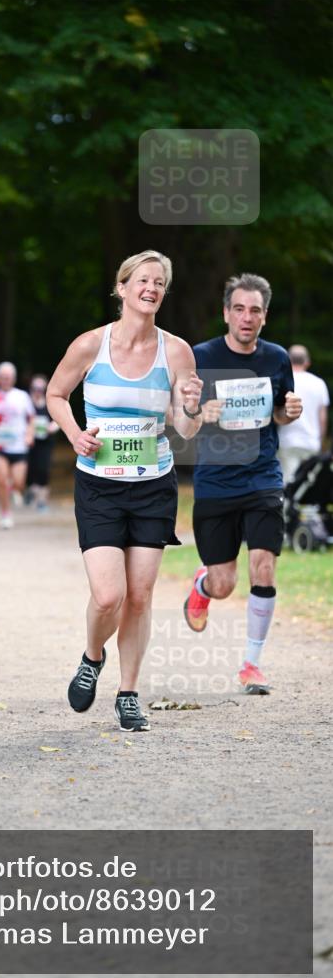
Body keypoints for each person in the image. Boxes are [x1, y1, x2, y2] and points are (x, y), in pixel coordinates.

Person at [47, 250, 203, 732]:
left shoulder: (176, 351)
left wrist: (193, 407)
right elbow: (56, 394)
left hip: (153, 484)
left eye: (159, 282)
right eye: (142, 280)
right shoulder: (89, 346)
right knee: (109, 594)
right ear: (122, 288)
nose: (151, 288)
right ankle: (92, 657)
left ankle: (130, 693)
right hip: (99, 484)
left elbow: (186, 429)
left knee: (140, 595)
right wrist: (76, 435)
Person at [183, 273, 303, 695]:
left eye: (254, 310)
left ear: (264, 317)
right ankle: (202, 586)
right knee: (224, 584)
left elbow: (279, 415)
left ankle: (252, 664)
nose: (246, 317)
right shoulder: (200, 356)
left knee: (264, 564)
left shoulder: (276, 359)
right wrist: (201, 412)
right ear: (226, 313)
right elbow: (181, 418)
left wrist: (290, 410)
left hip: (262, 475)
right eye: (239, 308)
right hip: (216, 481)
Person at [0, 362, 35, 529]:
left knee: (19, 482)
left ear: (14, 379)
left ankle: (14, 489)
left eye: (8, 377)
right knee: (1, 480)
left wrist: (30, 434)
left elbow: (32, 418)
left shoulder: (22, 396)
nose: (5, 380)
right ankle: (5, 514)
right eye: (2, 377)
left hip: (19, 446)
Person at [277, 345, 329, 485]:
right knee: (308, 485)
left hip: (287, 441)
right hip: (310, 442)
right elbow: (322, 418)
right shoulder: (319, 383)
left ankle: (287, 506)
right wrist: (320, 440)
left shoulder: (282, 381)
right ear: (307, 362)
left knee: (288, 483)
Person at [26, 374, 60, 512]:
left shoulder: (49, 403)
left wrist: (53, 427)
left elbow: (58, 419)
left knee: (43, 470)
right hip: (29, 443)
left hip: (45, 442)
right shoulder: (26, 403)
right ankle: (31, 491)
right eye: (35, 388)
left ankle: (42, 501)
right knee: (30, 470)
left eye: (40, 388)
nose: (37, 391)